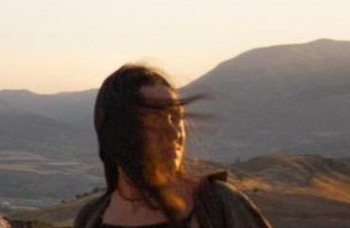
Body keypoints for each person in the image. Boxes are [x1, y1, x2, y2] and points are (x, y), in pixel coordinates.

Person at [73, 64, 272, 228]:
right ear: (116, 133)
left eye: (176, 118)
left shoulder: (217, 205)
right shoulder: (91, 218)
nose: (174, 132)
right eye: (154, 120)